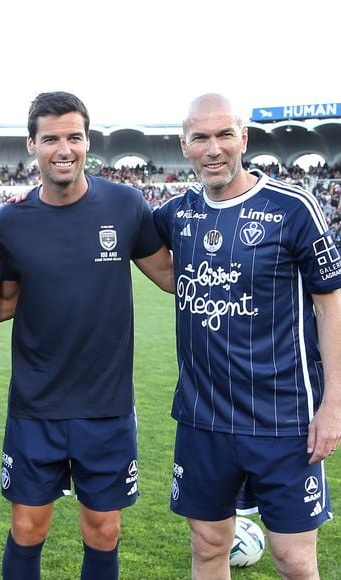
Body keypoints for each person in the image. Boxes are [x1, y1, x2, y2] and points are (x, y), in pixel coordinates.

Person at [153, 93, 341, 579]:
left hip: (284, 419)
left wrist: (333, 405)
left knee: (295, 560)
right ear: (184, 145)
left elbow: (330, 305)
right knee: (208, 547)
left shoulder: (294, 208)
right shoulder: (176, 214)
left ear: (244, 139)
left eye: (224, 135)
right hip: (203, 419)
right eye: (201, 138)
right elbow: (112, 226)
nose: (213, 148)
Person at [0, 91, 174, 579]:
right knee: (28, 528)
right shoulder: (11, 219)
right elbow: (4, 302)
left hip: (107, 405)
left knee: (103, 532)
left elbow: (171, 277)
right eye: (51, 138)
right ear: (31, 144)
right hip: (36, 405)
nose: (64, 149)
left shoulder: (125, 203)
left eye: (74, 136)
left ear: (87, 141)